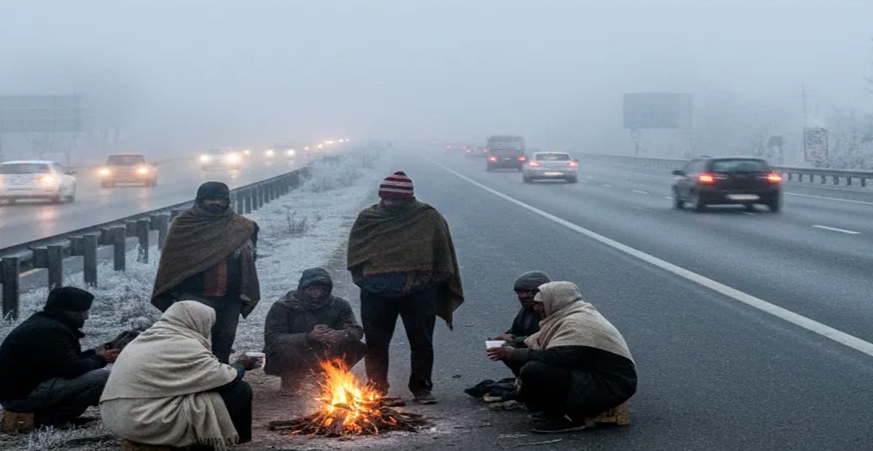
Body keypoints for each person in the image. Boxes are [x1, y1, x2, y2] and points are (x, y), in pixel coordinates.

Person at [347, 171, 463, 404]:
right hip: (375, 293)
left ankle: (421, 387)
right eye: (387, 199)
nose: (391, 203)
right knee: (376, 341)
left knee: (421, 341)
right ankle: (376, 386)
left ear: (409, 198)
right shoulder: (368, 218)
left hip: (420, 292)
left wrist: (428, 282)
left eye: (397, 200)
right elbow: (355, 254)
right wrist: (366, 280)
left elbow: (442, 254)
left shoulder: (427, 217)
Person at [100, 300, 259, 451]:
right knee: (240, 390)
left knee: (207, 392)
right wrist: (241, 365)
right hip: (145, 420)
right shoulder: (183, 344)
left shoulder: (147, 338)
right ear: (196, 321)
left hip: (118, 417)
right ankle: (207, 450)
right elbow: (225, 380)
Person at [488, 281, 637, 434]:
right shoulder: (565, 316)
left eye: (540, 303)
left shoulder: (578, 321)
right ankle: (544, 408)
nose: (536, 308)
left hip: (611, 384)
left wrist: (514, 353)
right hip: (590, 374)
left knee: (534, 369)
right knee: (518, 353)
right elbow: (536, 340)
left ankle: (566, 419)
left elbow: (559, 356)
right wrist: (513, 343)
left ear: (556, 301)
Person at [151, 181, 260, 362]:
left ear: (227, 201)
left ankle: (222, 384)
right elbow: (172, 263)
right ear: (200, 201)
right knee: (191, 347)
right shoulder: (185, 224)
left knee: (223, 346)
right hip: (194, 296)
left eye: (220, 199)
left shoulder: (243, 227)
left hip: (230, 297)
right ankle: (191, 384)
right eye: (210, 199)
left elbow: (250, 260)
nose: (216, 202)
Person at [0, 286, 119, 427]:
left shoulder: (45, 323)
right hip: (21, 397)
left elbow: (60, 362)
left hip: (21, 391)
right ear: (69, 311)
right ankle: (51, 419)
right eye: (83, 311)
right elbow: (72, 369)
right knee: (102, 377)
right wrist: (101, 359)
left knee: (94, 375)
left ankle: (51, 416)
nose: (86, 316)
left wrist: (93, 353)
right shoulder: (51, 331)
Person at [263, 268, 366, 394]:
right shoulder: (284, 306)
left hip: (325, 351)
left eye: (322, 290)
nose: (317, 294)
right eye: (312, 289)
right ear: (302, 288)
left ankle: (330, 377)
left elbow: (356, 330)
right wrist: (308, 337)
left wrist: (339, 334)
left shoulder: (339, 305)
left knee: (355, 346)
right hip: (295, 352)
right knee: (283, 348)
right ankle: (291, 380)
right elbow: (272, 337)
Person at [492, 271, 551, 376]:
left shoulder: (552, 312)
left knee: (528, 364)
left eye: (527, 292)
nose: (522, 296)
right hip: (530, 347)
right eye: (519, 292)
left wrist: (516, 342)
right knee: (502, 346)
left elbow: (546, 342)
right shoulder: (527, 310)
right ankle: (521, 378)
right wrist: (507, 336)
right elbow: (516, 330)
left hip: (548, 354)